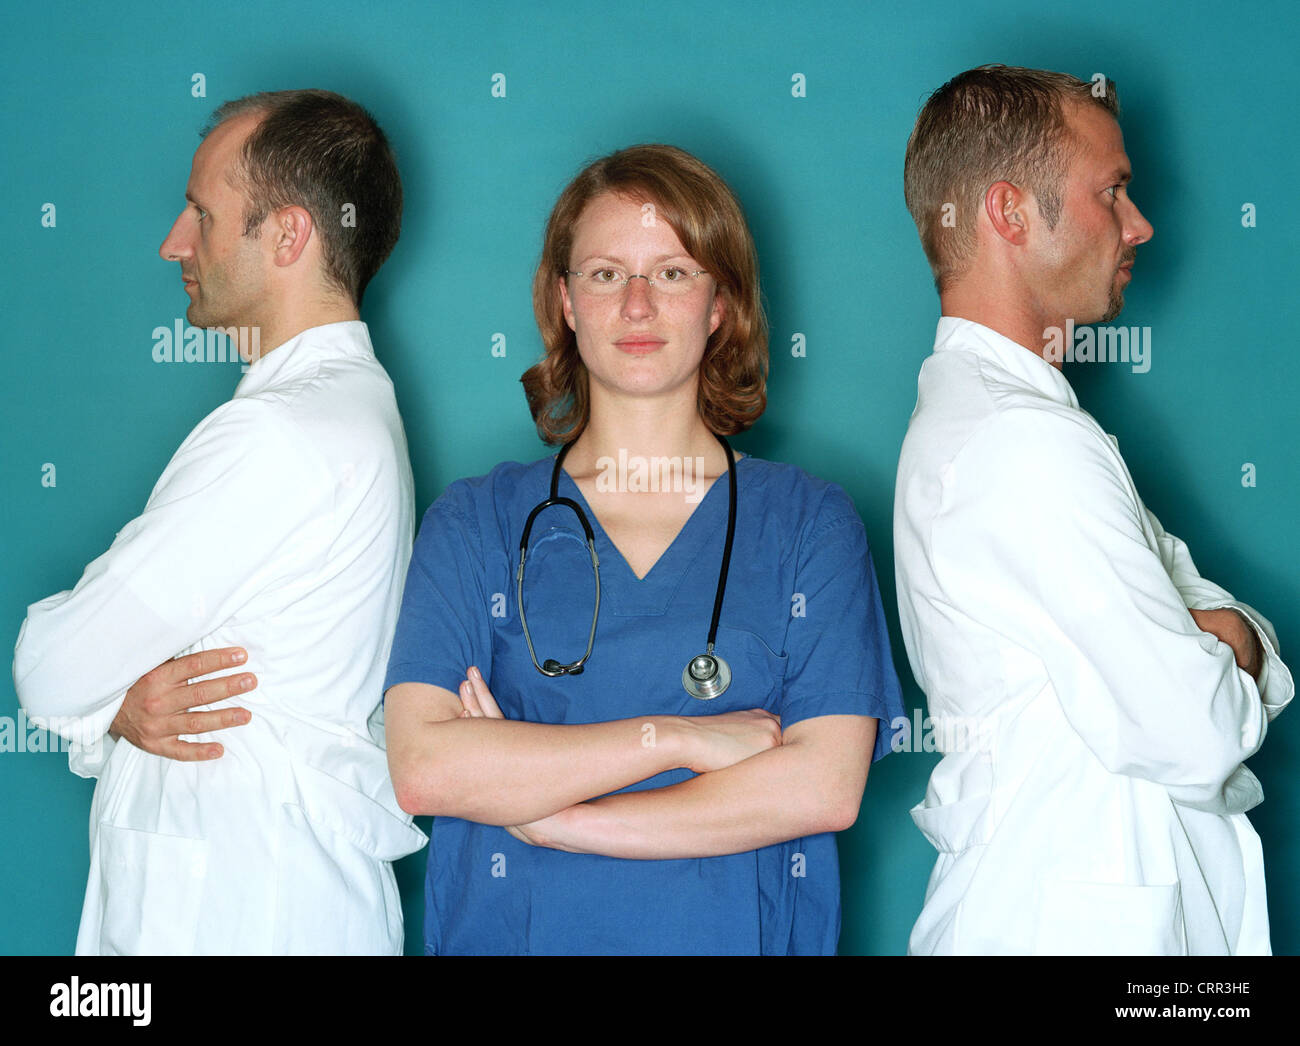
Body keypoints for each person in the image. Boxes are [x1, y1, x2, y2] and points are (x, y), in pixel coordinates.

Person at [384, 143, 903, 955]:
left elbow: (824, 785)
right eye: (602, 274)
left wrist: (558, 820)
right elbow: (426, 767)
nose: (635, 306)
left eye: (672, 273)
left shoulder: (810, 524)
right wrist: (687, 737)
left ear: (721, 302)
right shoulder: (477, 521)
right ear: (564, 300)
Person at [13, 89, 426, 955]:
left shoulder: (277, 434)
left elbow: (50, 671)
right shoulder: (346, 412)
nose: (174, 241)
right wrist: (118, 708)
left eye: (202, 213)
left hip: (245, 915)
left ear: (287, 235)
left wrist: (103, 699)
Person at [895, 65, 1293, 954]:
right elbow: (1195, 730)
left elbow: (1205, 663)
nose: (1140, 223)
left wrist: (1214, 640)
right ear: (1009, 212)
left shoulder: (1012, 425)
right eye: (1111, 191)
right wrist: (1228, 638)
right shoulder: (1022, 443)